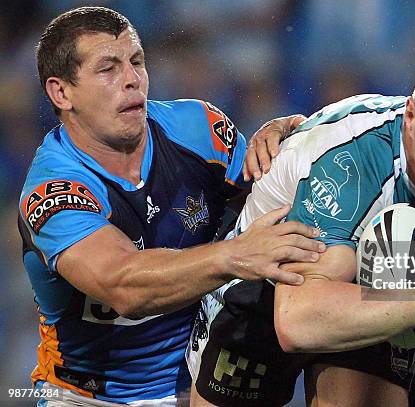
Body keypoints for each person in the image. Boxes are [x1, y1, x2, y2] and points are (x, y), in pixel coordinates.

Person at [188, 47, 415, 407]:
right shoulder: (352, 164)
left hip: (380, 289)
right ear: (410, 116)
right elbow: (297, 322)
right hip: (263, 287)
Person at [18, 6, 324, 406]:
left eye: (137, 61)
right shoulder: (53, 192)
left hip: (206, 380)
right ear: (62, 93)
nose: (132, 80)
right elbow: (124, 285)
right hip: (93, 397)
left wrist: (286, 141)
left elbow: (268, 199)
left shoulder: (200, 129)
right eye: (108, 69)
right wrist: (234, 256)